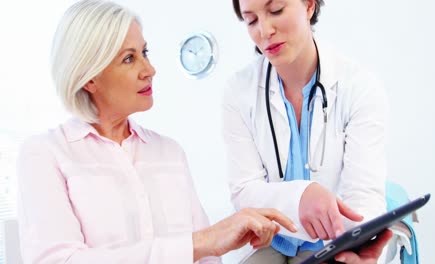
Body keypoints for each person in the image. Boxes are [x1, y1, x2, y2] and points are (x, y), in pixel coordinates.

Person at [16, 1, 298, 263]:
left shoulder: (168, 152)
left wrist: (210, 244)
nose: (149, 70)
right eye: (129, 59)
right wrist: (197, 243)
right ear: (90, 76)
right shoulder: (46, 154)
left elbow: (209, 256)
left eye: (144, 53)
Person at [223, 0, 392, 263]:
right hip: (270, 239)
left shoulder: (360, 87)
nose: (265, 31)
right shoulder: (238, 91)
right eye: (251, 20)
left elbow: (364, 195)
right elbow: (244, 190)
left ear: (309, 5)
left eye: (276, 10)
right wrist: (301, 196)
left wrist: (355, 248)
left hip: (333, 241)